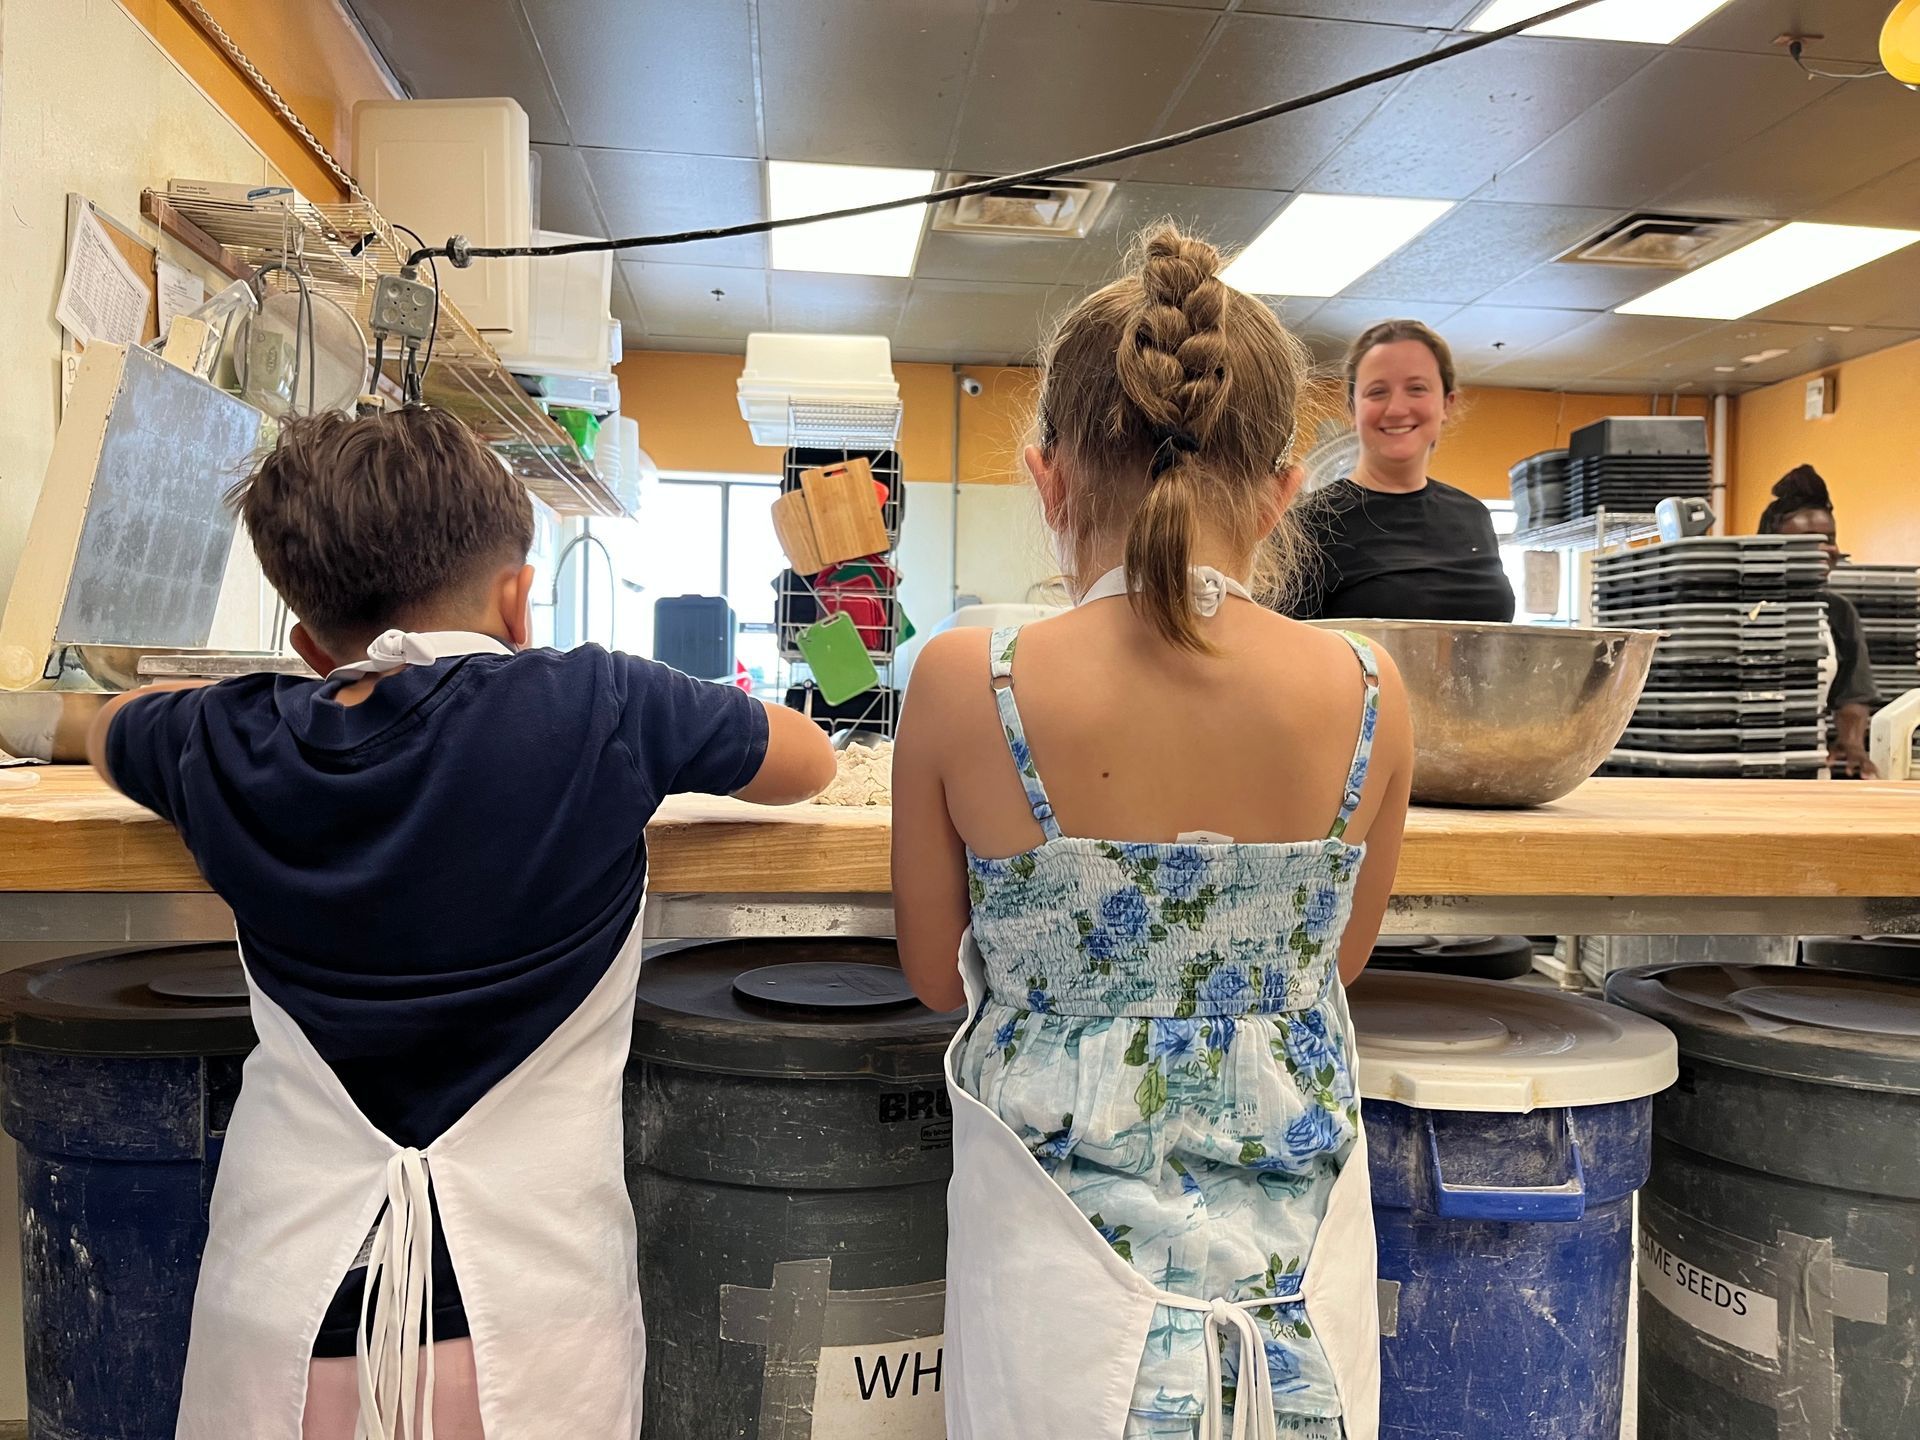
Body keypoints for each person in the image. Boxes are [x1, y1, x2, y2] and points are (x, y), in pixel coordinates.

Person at [86, 406, 835, 1438]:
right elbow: (807, 761)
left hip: (289, 1319)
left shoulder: (227, 740)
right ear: (520, 601)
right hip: (525, 1332)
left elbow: (107, 727)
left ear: (307, 644)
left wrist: (224, 700)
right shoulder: (600, 706)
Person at [893, 226, 1414, 1440]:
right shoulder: (1372, 690)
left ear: (1048, 477)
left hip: (1057, 1309)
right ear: (1286, 488)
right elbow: (1336, 968)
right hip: (1296, 1318)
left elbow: (932, 974)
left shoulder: (974, 681)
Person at [1287, 319, 1515, 623]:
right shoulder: (1309, 522)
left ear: (1447, 404)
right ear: (1352, 410)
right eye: (1377, 392)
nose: (1396, 408)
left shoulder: (1473, 515)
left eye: (1417, 388)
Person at [1758, 464, 1879, 778]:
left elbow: (1852, 694)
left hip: (1808, 767)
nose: (1826, 549)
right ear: (1769, 548)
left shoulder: (1838, 611)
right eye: (1809, 541)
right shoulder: (1739, 608)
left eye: (1830, 538)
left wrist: (1852, 744)